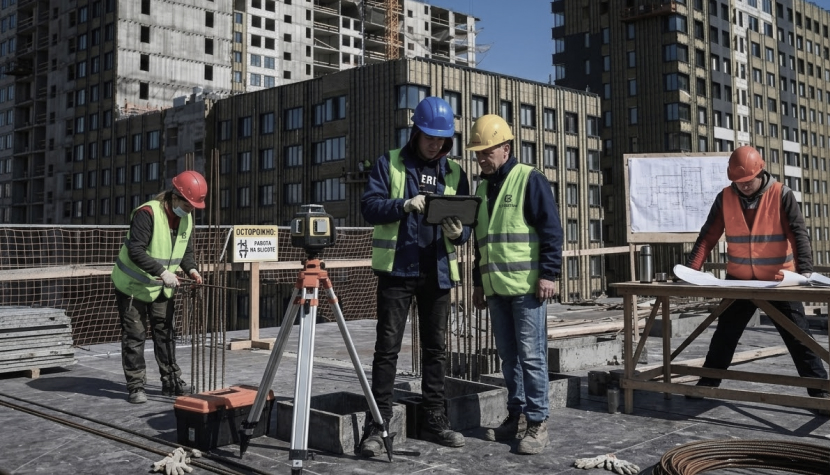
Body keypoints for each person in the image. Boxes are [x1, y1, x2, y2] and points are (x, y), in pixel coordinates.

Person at [360, 96, 472, 456]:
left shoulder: (454, 172)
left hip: (437, 272)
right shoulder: (389, 163)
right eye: (430, 137)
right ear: (416, 132)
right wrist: (403, 205)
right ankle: (378, 428)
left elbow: (467, 223)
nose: (436, 144)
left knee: (436, 351)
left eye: (442, 139)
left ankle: (434, 420)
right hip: (397, 270)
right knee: (387, 350)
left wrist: (459, 234)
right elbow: (369, 207)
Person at [686, 145, 829, 402]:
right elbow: (708, 237)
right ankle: (708, 382)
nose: (744, 186)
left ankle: (819, 391)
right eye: (738, 182)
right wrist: (691, 271)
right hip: (739, 281)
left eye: (748, 181)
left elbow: (799, 234)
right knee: (725, 334)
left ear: (760, 171)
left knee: (799, 337)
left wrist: (805, 272)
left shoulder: (781, 194)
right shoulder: (725, 197)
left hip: (779, 281)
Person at [469, 114, 563, 455]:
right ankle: (517, 416)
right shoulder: (481, 188)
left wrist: (549, 273)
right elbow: (482, 243)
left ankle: (538, 422)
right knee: (509, 358)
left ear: (505, 149)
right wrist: (478, 284)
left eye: (486, 152)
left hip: (526, 288)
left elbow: (551, 231)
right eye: (477, 153)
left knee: (532, 357)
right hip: (495, 290)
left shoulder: (529, 179)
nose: (480, 158)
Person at [111, 170, 208, 404]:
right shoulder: (147, 213)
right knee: (135, 336)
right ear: (174, 197)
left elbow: (185, 252)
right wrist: (163, 272)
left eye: (193, 206)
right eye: (187, 204)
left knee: (166, 334)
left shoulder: (186, 217)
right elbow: (136, 250)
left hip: (161, 288)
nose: (189, 209)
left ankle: (172, 381)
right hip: (133, 286)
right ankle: (136, 386)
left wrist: (192, 269)